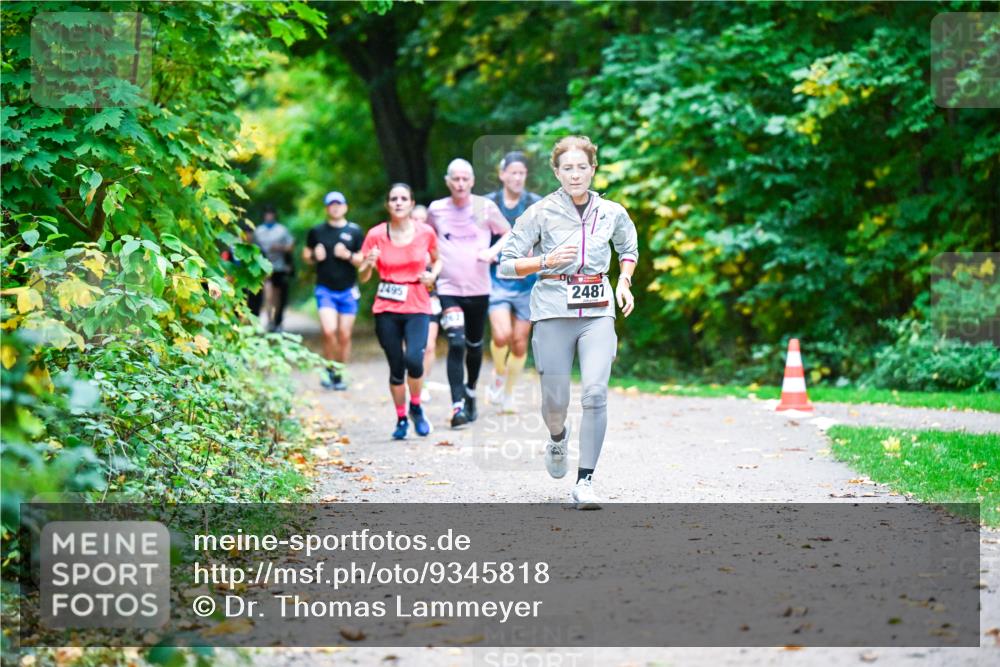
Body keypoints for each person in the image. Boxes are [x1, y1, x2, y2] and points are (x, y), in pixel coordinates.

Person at [498, 136, 638, 510]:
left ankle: (585, 481)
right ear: (556, 172)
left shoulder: (612, 212)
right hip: (552, 310)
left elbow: (628, 248)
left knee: (595, 394)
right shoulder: (540, 212)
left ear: (593, 168)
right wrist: (544, 262)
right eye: (567, 168)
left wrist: (624, 281)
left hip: (598, 311)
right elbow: (506, 263)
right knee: (555, 402)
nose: (575, 175)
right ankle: (557, 437)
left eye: (582, 167)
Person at [427, 159, 511, 428]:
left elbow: (509, 232)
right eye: (456, 179)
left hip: (479, 289)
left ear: (472, 181)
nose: (460, 184)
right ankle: (457, 406)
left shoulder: (484, 207)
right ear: (448, 181)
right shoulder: (436, 209)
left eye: (465, 179)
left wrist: (493, 252)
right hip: (448, 288)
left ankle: (471, 390)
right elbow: (426, 238)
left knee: (474, 346)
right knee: (456, 343)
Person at [358, 184, 440, 440]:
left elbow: (438, 259)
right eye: (393, 198)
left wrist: (432, 276)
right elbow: (362, 276)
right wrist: (368, 264)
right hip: (387, 306)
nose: (398, 202)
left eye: (404, 198)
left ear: (411, 202)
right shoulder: (375, 235)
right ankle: (402, 417)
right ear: (387, 205)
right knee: (396, 366)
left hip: (417, 303)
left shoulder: (425, 232)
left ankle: (416, 404)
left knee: (414, 359)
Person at [484, 152, 542, 413]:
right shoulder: (488, 204)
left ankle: (508, 394)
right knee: (501, 334)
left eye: (522, 173)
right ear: (502, 174)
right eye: (513, 172)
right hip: (496, 280)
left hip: (527, 283)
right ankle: (498, 373)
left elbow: (548, 237)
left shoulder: (535, 204)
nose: (518, 177)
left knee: (519, 342)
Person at [303, 191, 365, 390]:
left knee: (345, 334)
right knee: (329, 332)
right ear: (326, 208)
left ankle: (339, 373)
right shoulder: (317, 231)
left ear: (345, 207)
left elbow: (362, 260)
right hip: (325, 289)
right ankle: (329, 369)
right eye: (331, 204)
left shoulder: (355, 231)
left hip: (348, 290)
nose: (335, 207)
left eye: (339, 204)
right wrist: (314, 255)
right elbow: (306, 255)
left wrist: (347, 255)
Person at [411, 204, 440, 404]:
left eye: (424, 219)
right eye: (416, 219)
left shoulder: (434, 241)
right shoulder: (401, 241)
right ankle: (412, 381)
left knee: (429, 346)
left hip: (431, 298)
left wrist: (433, 273)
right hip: (408, 301)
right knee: (412, 349)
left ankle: (424, 382)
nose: (420, 223)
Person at [250, 206, 294, 331]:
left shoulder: (282, 230)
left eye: (271, 214)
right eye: (267, 214)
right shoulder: (258, 231)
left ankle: (276, 320)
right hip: (263, 267)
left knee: (277, 296)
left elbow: (290, 247)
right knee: (267, 294)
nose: (269, 216)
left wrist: (279, 248)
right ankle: (269, 320)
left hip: (279, 267)